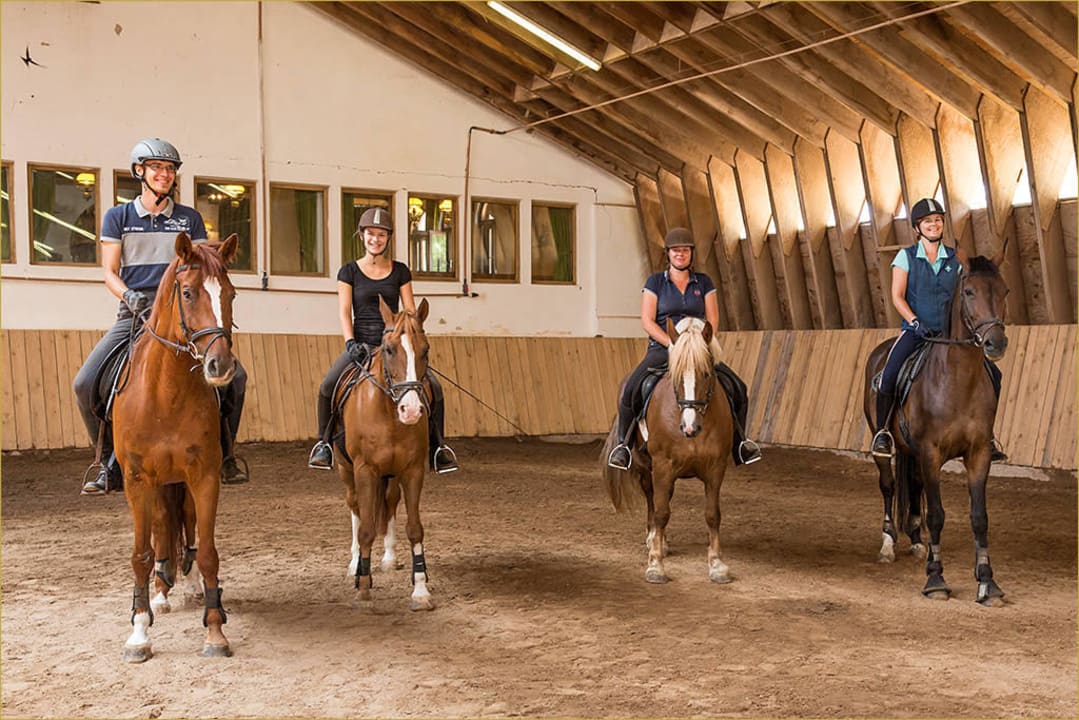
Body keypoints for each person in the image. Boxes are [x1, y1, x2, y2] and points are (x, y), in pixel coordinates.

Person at [72, 138, 249, 494]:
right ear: (140, 172)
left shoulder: (189, 218)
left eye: (169, 169)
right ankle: (109, 462)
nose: (164, 174)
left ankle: (226, 455)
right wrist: (130, 296)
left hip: (184, 313)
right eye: (156, 168)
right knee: (84, 383)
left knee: (237, 379)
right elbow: (109, 271)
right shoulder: (118, 217)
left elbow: (203, 268)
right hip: (135, 314)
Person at [307, 207, 458, 474]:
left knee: (434, 386)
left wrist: (408, 340)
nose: (375, 239)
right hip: (362, 344)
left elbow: (410, 311)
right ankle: (324, 444)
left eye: (381, 235)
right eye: (370, 234)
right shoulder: (349, 272)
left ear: (388, 238)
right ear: (362, 236)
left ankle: (438, 448)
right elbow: (344, 312)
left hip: (394, 347)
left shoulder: (400, 271)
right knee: (328, 384)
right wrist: (350, 342)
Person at [607, 227, 762, 470]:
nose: (681, 254)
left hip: (698, 349)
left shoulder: (704, 282)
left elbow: (712, 320)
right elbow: (647, 321)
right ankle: (623, 447)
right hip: (663, 347)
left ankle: (740, 443)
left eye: (685, 250)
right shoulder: (655, 282)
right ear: (668, 254)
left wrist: (698, 345)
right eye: (676, 250)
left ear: (691, 254)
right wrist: (673, 344)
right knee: (632, 388)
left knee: (738, 388)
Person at [871, 197, 1007, 461]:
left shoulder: (955, 259)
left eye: (938, 220)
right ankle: (883, 433)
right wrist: (914, 321)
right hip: (915, 332)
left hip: (948, 336)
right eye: (927, 221)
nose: (934, 225)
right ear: (917, 228)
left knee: (995, 375)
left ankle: (987, 436)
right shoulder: (906, 257)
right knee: (888, 374)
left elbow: (964, 297)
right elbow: (897, 296)